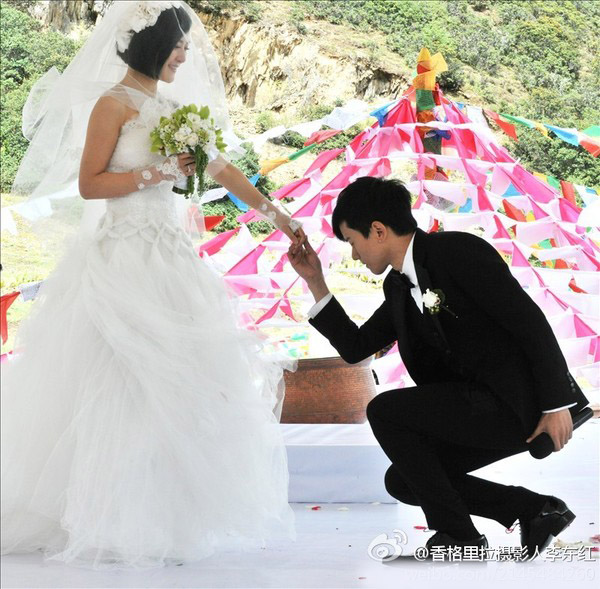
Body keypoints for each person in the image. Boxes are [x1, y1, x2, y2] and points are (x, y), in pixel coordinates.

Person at [1, 1, 303, 569]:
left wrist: (280, 217)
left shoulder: (171, 108)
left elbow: (223, 170)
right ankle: (98, 514)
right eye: (180, 45)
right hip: (121, 256)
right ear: (151, 44)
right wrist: (158, 172)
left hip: (169, 256)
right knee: (115, 383)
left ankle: (160, 514)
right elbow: (91, 185)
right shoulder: (111, 105)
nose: (187, 55)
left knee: (175, 385)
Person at [288, 176, 589, 558]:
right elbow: (357, 347)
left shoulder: (459, 252)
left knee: (385, 410)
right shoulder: (397, 287)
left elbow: (529, 324)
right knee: (403, 480)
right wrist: (315, 280)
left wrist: (555, 404)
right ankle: (534, 510)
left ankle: (459, 535)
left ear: (377, 231)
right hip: (475, 407)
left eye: (352, 242)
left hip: (515, 405)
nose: (354, 256)